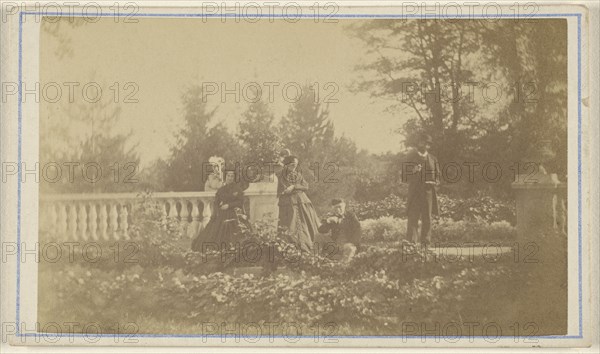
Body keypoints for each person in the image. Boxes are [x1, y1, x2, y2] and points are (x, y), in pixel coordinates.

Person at [192, 166, 252, 252]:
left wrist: (229, 205)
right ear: (225, 177)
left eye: (232, 176)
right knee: (215, 232)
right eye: (228, 176)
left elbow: (240, 202)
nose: (230, 178)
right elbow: (216, 202)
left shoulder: (237, 189)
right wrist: (218, 210)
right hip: (222, 214)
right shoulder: (221, 190)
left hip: (234, 213)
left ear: (234, 178)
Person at [277, 155, 320, 253]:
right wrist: (292, 188)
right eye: (292, 165)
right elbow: (285, 190)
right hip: (288, 204)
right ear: (286, 165)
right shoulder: (281, 176)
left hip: (302, 202)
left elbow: (306, 186)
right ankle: (292, 250)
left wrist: (294, 186)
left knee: (307, 224)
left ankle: (310, 248)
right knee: (290, 226)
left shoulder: (298, 175)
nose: (294, 167)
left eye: (296, 165)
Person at [403, 133, 440, 245]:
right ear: (417, 144)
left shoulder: (433, 159)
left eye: (425, 143)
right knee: (413, 217)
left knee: (427, 217)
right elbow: (404, 176)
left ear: (428, 145)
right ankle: (411, 242)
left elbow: (438, 176)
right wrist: (413, 171)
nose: (422, 145)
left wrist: (435, 182)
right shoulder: (410, 158)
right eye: (420, 142)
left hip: (428, 192)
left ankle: (426, 242)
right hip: (415, 192)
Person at [318, 198, 361, 263]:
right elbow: (321, 230)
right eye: (335, 208)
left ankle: (343, 267)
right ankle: (315, 258)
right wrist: (328, 221)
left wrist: (352, 243)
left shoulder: (351, 216)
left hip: (348, 244)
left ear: (344, 206)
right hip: (335, 245)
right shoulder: (332, 217)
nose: (338, 210)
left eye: (340, 207)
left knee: (349, 248)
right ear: (333, 208)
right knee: (318, 236)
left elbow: (358, 230)